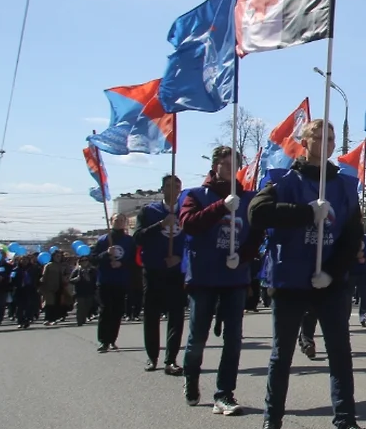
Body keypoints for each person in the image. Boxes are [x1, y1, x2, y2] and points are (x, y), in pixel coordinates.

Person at [251, 119, 366, 429]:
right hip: (290, 278)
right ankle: (272, 417)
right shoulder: (284, 179)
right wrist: (305, 213)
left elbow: (352, 233)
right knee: (282, 353)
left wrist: (332, 271)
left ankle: (345, 424)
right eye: (318, 135)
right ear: (304, 141)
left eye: (330, 136)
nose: (325, 140)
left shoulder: (344, 185)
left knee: (339, 352)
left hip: (329, 281)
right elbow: (257, 213)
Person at [179, 146, 257, 414]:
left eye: (234, 163)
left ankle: (224, 393)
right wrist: (219, 207)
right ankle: (191, 377)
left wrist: (244, 256)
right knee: (197, 336)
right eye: (225, 163)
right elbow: (189, 223)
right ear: (215, 166)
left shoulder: (247, 198)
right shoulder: (195, 195)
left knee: (234, 338)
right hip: (204, 277)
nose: (230, 167)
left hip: (234, 278)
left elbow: (257, 233)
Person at [136, 175, 187, 375]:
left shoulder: (186, 211)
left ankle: (171, 359)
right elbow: (138, 238)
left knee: (176, 315)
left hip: (176, 271)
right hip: (154, 270)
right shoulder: (149, 211)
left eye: (177, 186)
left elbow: (193, 241)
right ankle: (152, 356)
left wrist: (180, 258)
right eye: (169, 186)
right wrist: (161, 225)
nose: (173, 189)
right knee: (151, 314)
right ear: (162, 189)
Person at [93, 214, 136, 353]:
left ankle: (112, 339)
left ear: (126, 223)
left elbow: (135, 261)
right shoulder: (103, 240)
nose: (119, 223)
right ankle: (103, 340)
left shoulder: (129, 241)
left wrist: (121, 263)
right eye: (116, 220)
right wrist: (106, 254)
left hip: (121, 280)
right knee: (105, 309)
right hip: (105, 280)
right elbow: (93, 259)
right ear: (111, 222)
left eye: (122, 220)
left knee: (117, 311)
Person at [40, 251, 68, 325]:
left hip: (59, 287)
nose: (58, 258)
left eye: (59, 256)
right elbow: (44, 276)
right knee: (49, 304)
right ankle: (47, 319)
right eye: (57, 256)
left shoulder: (61, 266)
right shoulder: (49, 265)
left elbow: (64, 276)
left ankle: (54, 319)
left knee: (57, 304)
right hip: (49, 288)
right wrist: (43, 286)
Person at [73, 255, 97, 326]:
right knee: (80, 307)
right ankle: (80, 321)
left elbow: (95, 279)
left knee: (88, 306)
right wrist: (76, 279)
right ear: (80, 262)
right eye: (82, 261)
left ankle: (85, 316)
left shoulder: (92, 270)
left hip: (90, 291)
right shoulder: (77, 270)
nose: (84, 262)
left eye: (86, 260)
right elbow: (70, 280)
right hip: (80, 291)